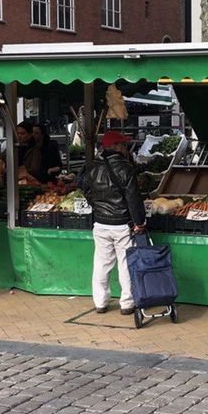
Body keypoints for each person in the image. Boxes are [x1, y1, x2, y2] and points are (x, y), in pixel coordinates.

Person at [80, 130, 146, 315]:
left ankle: (100, 302)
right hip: (122, 224)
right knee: (125, 264)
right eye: (123, 145)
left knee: (101, 263)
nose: (125, 148)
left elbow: (86, 190)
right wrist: (139, 222)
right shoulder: (125, 169)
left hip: (100, 223)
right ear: (116, 147)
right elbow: (133, 199)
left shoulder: (92, 167)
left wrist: (96, 206)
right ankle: (127, 303)